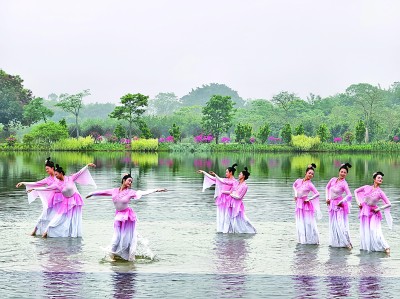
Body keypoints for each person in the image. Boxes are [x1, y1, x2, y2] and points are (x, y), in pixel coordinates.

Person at [86, 173, 167, 261]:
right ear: (124, 180)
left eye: (131, 182)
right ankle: (112, 257)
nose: (130, 183)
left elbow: (143, 192)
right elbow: (102, 192)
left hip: (127, 217)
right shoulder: (114, 191)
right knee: (116, 238)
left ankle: (127, 256)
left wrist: (156, 190)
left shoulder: (130, 192)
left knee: (125, 238)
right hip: (118, 216)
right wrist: (91, 194)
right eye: (129, 180)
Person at [28, 163, 97, 238]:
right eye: (55, 175)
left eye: (56, 175)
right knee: (59, 217)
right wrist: (34, 189)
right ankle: (47, 232)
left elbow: (80, 172)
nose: (56, 177)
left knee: (73, 218)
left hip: (75, 200)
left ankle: (72, 233)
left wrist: (87, 165)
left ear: (61, 173)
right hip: (66, 202)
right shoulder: (57, 184)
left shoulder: (70, 178)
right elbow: (47, 188)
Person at [16, 157, 60, 236]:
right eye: (46, 169)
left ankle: (50, 233)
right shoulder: (47, 179)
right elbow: (36, 183)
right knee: (44, 215)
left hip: (60, 201)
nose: (46, 171)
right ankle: (34, 232)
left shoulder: (59, 176)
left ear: (52, 168)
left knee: (58, 217)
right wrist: (23, 183)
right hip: (51, 200)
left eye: (47, 169)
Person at [354, 171, 392, 254]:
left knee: (374, 230)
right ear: (374, 179)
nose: (380, 179)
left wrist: (379, 208)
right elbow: (355, 191)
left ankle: (386, 247)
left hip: (374, 213)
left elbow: (389, 204)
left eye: (381, 178)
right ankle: (369, 247)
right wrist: (358, 203)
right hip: (364, 211)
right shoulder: (366, 187)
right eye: (379, 178)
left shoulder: (380, 192)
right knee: (365, 230)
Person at [197, 163, 237, 232]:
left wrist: (223, 191)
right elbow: (212, 178)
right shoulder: (224, 179)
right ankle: (222, 229)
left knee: (227, 215)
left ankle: (228, 229)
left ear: (231, 172)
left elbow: (232, 192)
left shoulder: (234, 182)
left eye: (227, 172)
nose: (226, 173)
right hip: (221, 200)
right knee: (221, 215)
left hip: (229, 201)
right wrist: (204, 172)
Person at [325, 163, 353, 249]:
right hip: (332, 204)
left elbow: (349, 195)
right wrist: (327, 198)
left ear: (346, 174)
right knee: (333, 224)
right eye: (342, 171)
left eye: (345, 172)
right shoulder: (333, 179)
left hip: (339, 205)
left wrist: (342, 201)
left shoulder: (344, 184)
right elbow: (327, 187)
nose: (343, 173)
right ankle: (336, 242)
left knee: (340, 224)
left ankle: (347, 243)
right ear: (339, 171)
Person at [293, 163, 321, 245]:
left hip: (306, 205)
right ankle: (302, 239)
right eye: (309, 173)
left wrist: (310, 198)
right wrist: (295, 194)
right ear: (306, 173)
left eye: (312, 174)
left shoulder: (310, 184)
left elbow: (317, 193)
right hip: (298, 204)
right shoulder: (298, 181)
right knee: (300, 222)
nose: (311, 175)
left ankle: (312, 239)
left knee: (308, 222)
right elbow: (294, 186)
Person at [223, 167, 256, 234]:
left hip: (238, 205)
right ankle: (232, 231)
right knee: (231, 219)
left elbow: (239, 197)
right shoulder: (237, 183)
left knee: (243, 219)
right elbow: (231, 192)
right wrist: (223, 192)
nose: (238, 175)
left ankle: (252, 230)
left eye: (240, 174)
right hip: (231, 204)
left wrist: (231, 194)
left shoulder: (245, 186)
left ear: (243, 176)